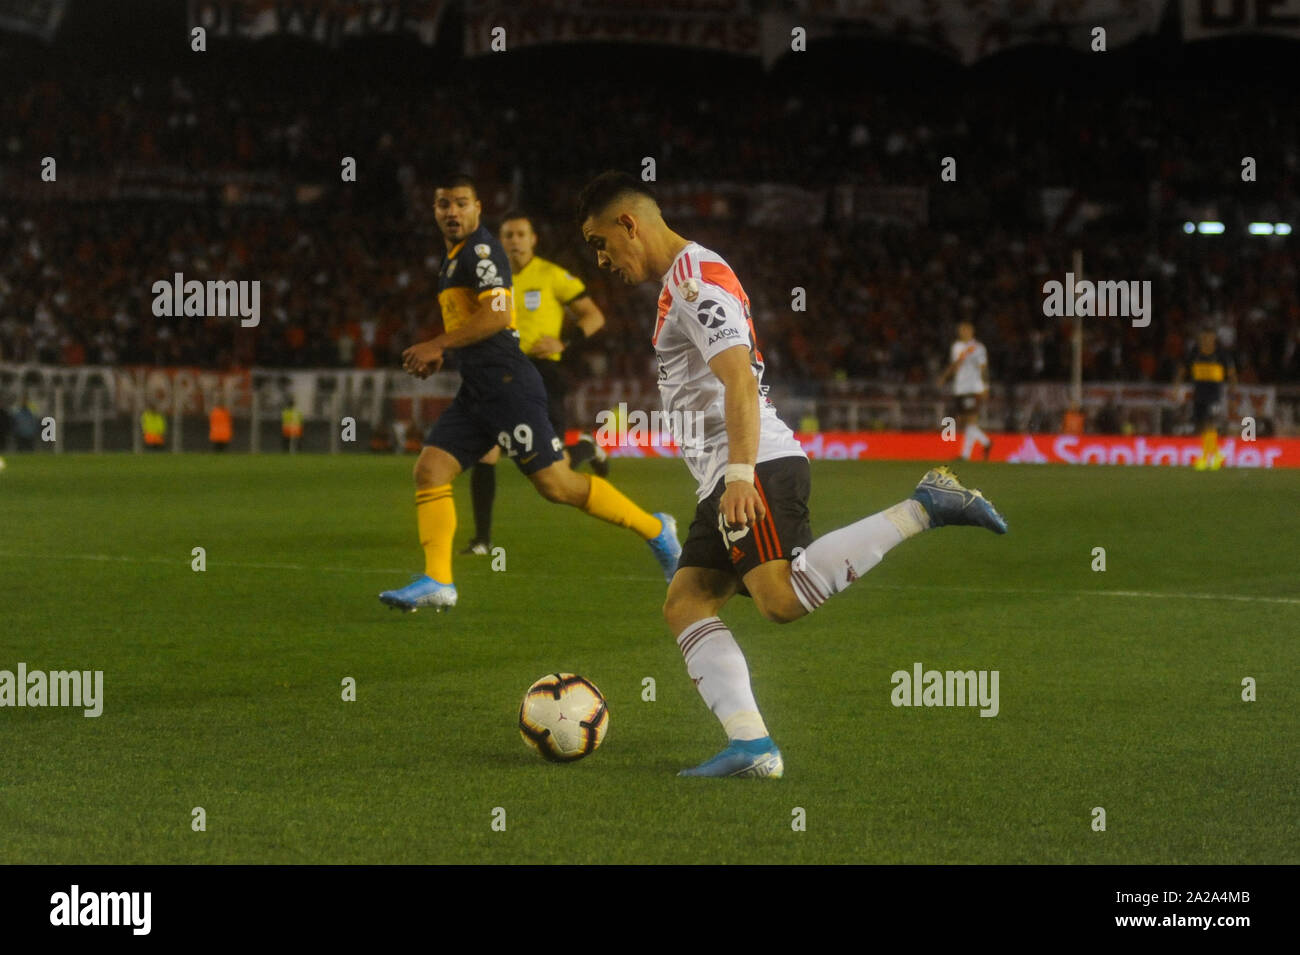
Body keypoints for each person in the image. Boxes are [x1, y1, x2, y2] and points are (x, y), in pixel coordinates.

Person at [577, 171, 1008, 778]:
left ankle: (926, 506)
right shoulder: (684, 279)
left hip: (755, 467)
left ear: (629, 223)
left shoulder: (695, 283)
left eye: (601, 243)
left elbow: (739, 383)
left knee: (778, 599)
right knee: (688, 601)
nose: (602, 260)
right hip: (726, 474)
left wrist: (740, 475)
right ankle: (752, 745)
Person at [378, 174, 681, 613]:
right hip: (479, 389)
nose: (452, 212)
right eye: (443, 204)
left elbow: (499, 315)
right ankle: (439, 580)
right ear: (434, 210)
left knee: (556, 485)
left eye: (461, 203)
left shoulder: (482, 251)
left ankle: (657, 529)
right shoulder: (453, 259)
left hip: (507, 386)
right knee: (430, 470)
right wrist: (451, 351)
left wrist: (439, 344)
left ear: (478, 208)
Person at [461, 212, 611, 556]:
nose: (514, 240)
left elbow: (594, 315)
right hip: (499, 372)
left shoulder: (552, 275)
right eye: (508, 234)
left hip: (542, 372)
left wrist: (565, 343)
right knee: (486, 450)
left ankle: (587, 447)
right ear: (499, 241)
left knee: (554, 466)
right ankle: (482, 540)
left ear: (533, 240)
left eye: (520, 234)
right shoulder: (489, 279)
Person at [1174, 328, 1236, 470]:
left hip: (1214, 395)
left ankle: (1205, 457)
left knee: (1210, 424)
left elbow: (1232, 376)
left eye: (1208, 337)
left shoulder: (1221, 355)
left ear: (1213, 338)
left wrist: (1232, 396)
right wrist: (1176, 387)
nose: (1205, 340)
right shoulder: (1194, 353)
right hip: (1198, 395)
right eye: (1203, 337)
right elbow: (1182, 369)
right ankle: (1216, 455)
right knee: (1201, 426)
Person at [937, 321, 992, 460]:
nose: (963, 332)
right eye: (961, 330)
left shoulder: (978, 348)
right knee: (965, 421)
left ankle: (971, 451)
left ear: (972, 332)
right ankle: (983, 443)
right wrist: (944, 377)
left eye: (966, 330)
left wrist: (985, 386)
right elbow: (954, 365)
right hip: (960, 388)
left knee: (970, 419)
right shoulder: (957, 347)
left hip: (973, 387)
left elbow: (983, 367)